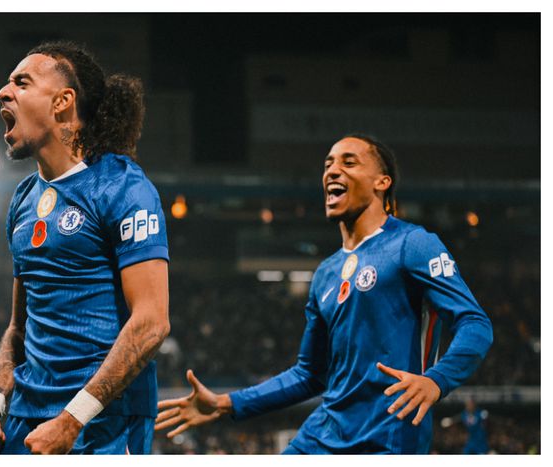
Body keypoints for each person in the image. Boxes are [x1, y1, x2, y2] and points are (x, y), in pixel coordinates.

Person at [156, 135, 493, 454]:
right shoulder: (326, 273)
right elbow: (309, 374)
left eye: (349, 162)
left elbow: (475, 324)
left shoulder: (412, 244)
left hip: (387, 435)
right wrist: (227, 403)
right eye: (328, 164)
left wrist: (436, 381)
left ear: (382, 181)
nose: (332, 170)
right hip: (323, 433)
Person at [0, 41, 170, 454]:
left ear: (63, 101)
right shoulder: (23, 199)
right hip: (26, 418)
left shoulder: (122, 186)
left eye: (22, 82)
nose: (4, 92)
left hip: (102, 422)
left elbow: (151, 322)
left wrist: (73, 419)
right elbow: (19, 328)